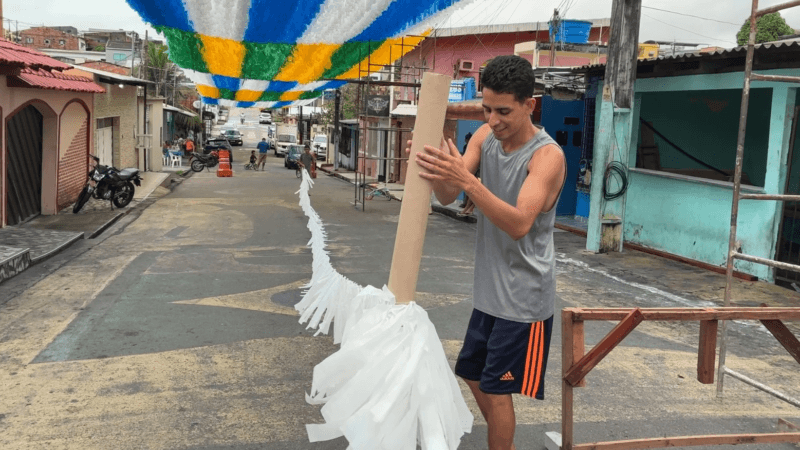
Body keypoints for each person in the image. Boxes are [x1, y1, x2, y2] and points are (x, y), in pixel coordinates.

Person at [409, 55, 566, 450]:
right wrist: (433, 169)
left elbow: (518, 224)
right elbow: (448, 195)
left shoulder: (547, 157)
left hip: (524, 299)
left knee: (497, 392)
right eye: (486, 109)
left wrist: (467, 180)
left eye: (503, 111)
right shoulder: (483, 138)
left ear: (530, 105)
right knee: (471, 372)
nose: (492, 120)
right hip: (490, 294)